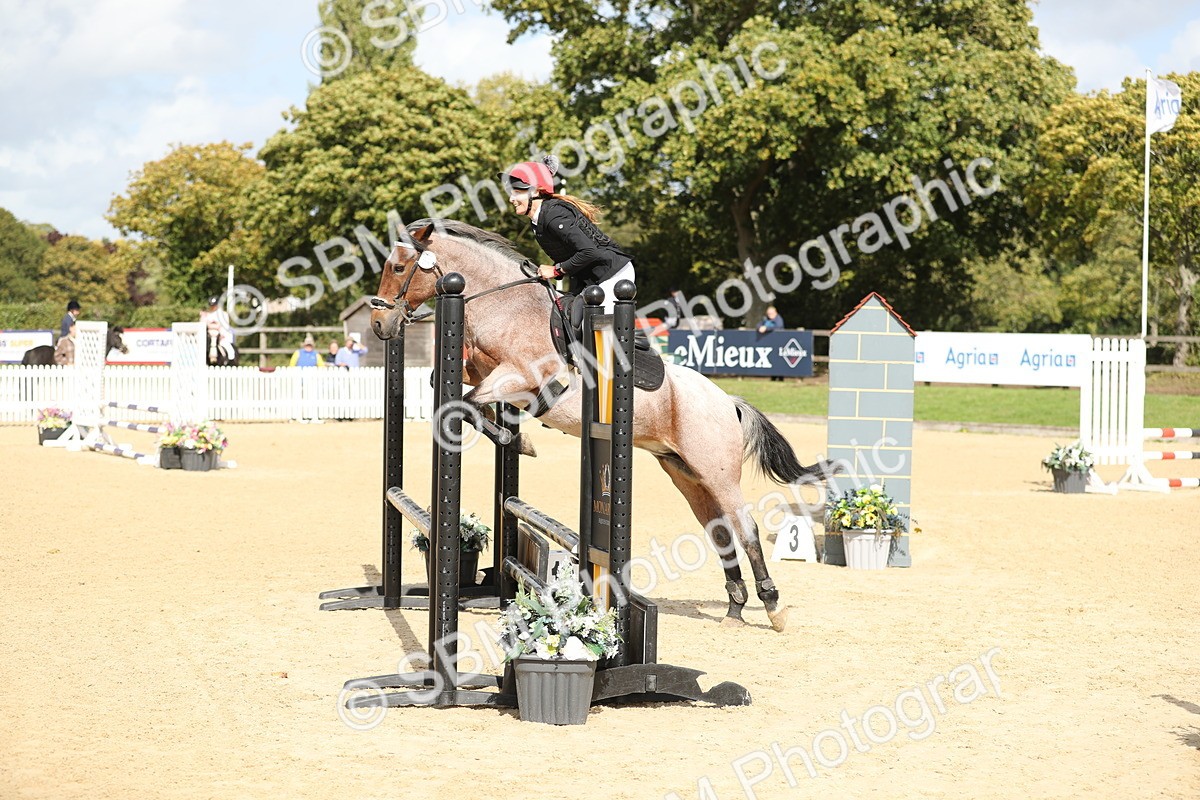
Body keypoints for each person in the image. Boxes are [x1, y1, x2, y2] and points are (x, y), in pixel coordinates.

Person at [499, 156, 634, 312]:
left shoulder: (554, 214)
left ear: (535, 190)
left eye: (517, 192)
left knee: (592, 323)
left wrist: (555, 270)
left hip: (612, 275)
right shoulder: (538, 219)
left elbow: (589, 251)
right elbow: (569, 253)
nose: (511, 199)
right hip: (589, 280)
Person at [200, 296, 235, 362]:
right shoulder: (207, 315)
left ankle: (230, 360)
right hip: (209, 336)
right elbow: (203, 325)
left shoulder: (223, 314)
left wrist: (222, 334)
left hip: (221, 336)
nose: (213, 307)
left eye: (214, 305)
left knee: (228, 348)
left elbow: (225, 327)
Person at [756, 306, 786, 381]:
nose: (770, 315)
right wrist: (760, 327)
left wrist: (766, 328)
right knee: (772, 360)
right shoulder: (766, 319)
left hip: (779, 343)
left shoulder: (779, 319)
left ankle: (780, 377)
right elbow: (758, 325)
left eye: (771, 313)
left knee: (779, 361)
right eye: (768, 314)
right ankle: (773, 377)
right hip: (770, 344)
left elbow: (778, 327)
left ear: (775, 313)